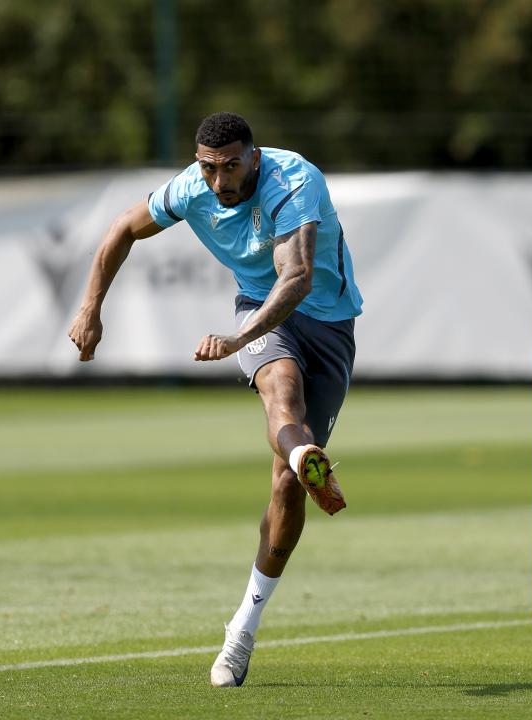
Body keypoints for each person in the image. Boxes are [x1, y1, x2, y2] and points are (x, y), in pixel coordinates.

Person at [67, 111, 363, 687]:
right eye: (209, 167)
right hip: (258, 311)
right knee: (281, 395)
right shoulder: (189, 188)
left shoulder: (294, 181)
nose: (219, 180)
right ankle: (305, 464)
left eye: (231, 165)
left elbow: (298, 277)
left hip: (325, 323)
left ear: (254, 156)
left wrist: (236, 339)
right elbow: (122, 229)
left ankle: (242, 621)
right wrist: (89, 307)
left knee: (283, 486)